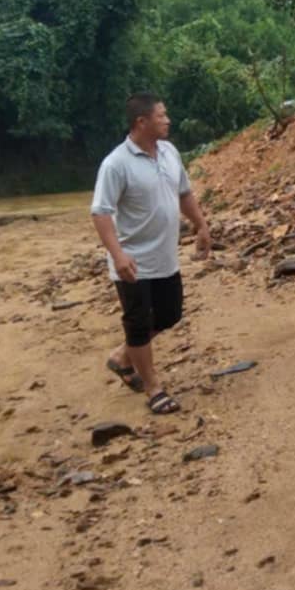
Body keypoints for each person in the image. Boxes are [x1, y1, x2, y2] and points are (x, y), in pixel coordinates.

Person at [90, 92, 211, 414]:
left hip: (164, 257)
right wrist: (117, 255)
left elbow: (183, 192)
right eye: (161, 116)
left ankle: (122, 357)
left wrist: (201, 225)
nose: (167, 120)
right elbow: (101, 212)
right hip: (132, 261)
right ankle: (154, 389)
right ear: (141, 122)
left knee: (170, 314)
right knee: (139, 324)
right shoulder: (116, 164)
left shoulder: (170, 152)